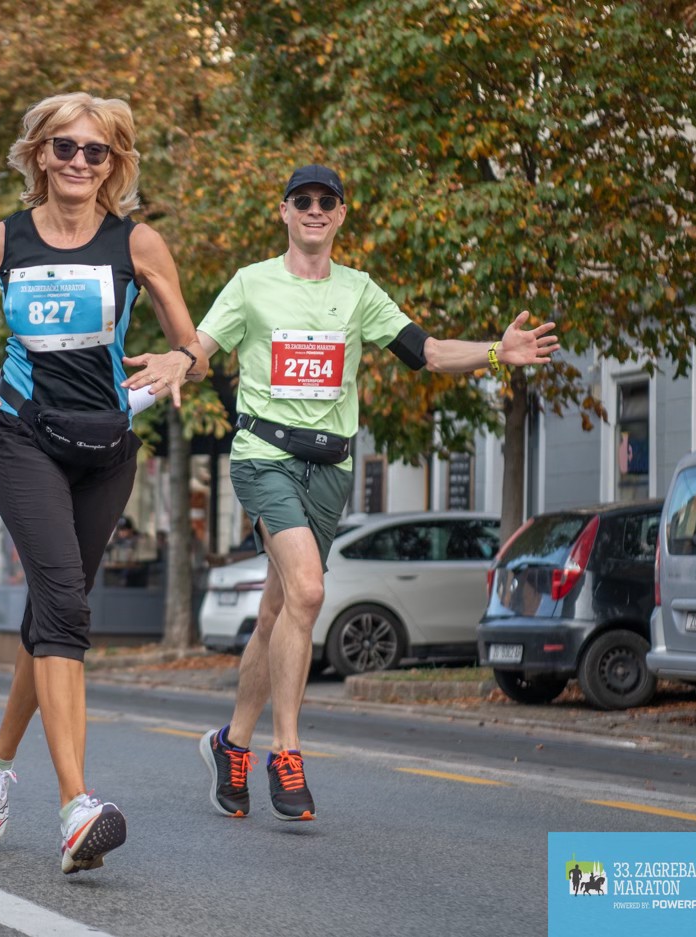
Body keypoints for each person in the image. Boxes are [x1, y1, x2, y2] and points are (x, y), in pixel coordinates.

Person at [193, 165, 559, 821]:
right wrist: (178, 359)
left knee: (279, 609)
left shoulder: (359, 292)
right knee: (307, 588)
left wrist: (496, 352)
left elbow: (430, 351)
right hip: (263, 456)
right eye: (301, 200)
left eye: (325, 202)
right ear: (284, 212)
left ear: (339, 215)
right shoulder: (251, 283)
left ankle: (232, 742)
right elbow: (202, 344)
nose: (313, 209)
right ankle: (289, 752)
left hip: (329, 467)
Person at [0, 92, 204, 874]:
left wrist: (180, 360)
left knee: (56, 609)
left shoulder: (139, 244)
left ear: (114, 163)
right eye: (65, 147)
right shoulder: (0, 241)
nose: (79, 163)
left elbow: (193, 341)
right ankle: (75, 806)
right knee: (65, 608)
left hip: (107, 445)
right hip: (21, 436)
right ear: (39, 155)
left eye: (96, 151)